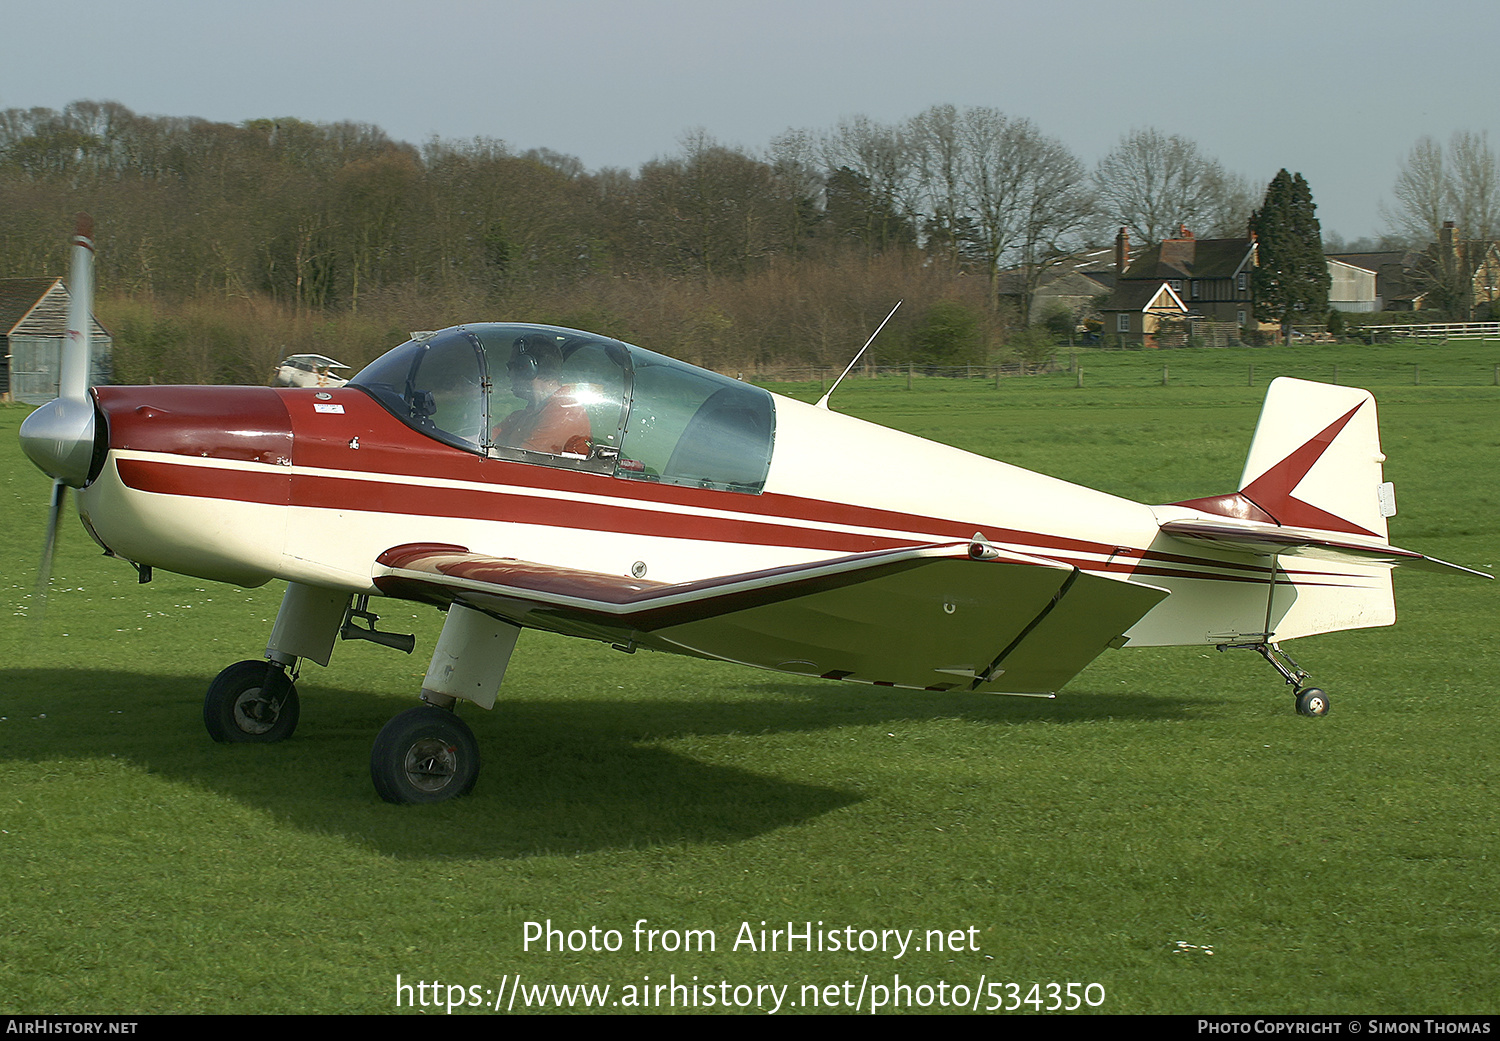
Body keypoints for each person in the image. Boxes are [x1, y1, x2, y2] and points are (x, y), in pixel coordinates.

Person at [492, 336, 592, 455]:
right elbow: (482, 440)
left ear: (527, 368)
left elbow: (521, 462)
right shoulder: (525, 414)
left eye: (511, 366)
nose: (508, 374)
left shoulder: (564, 412)